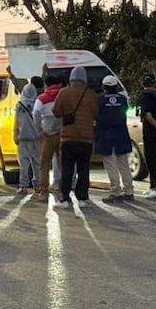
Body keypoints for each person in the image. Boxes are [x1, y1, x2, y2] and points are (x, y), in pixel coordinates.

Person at [52, 66, 99, 209]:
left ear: (71, 78)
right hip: (86, 138)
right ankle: (82, 198)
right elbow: (96, 113)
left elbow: (56, 111)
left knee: (67, 169)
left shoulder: (64, 93)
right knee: (83, 169)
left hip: (68, 137)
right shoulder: (91, 94)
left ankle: (64, 198)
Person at [95, 75, 134, 203]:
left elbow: (96, 116)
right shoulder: (123, 99)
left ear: (103, 86)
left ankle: (115, 191)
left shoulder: (100, 100)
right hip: (121, 134)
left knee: (110, 164)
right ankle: (129, 191)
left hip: (106, 135)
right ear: (116, 86)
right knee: (123, 163)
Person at [33, 75, 63, 200]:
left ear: (46, 85)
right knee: (63, 164)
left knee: (44, 164)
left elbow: (36, 113)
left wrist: (39, 130)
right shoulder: (63, 95)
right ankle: (62, 190)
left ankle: (43, 192)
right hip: (63, 134)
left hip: (47, 135)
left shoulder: (42, 98)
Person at [13, 84, 41, 196]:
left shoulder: (19, 105)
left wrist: (15, 135)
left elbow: (17, 123)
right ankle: (38, 185)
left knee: (24, 163)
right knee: (37, 163)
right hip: (36, 137)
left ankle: (23, 186)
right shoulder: (37, 104)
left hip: (23, 138)